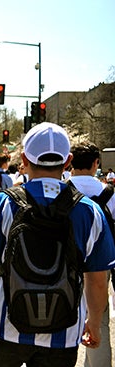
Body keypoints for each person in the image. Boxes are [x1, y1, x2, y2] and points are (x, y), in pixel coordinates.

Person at [0, 123, 115, 367]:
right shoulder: (90, 211)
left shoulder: (2, 204)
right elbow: (97, 280)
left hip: (5, 328)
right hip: (63, 332)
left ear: (23, 159)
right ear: (68, 162)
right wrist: (93, 323)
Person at [68, 142, 115, 367]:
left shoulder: (59, 190)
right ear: (97, 163)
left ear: (70, 162)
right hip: (101, 263)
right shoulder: (109, 195)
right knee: (99, 319)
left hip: (63, 263)